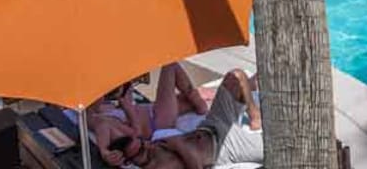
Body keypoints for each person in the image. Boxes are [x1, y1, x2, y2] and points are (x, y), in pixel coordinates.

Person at [104, 68, 263, 168]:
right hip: (224, 148)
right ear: (129, 162)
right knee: (275, 143)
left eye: (143, 142)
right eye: (141, 151)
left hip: (210, 125)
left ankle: (255, 115)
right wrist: (179, 145)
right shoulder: (161, 165)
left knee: (236, 76)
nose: (148, 146)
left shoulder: (154, 142)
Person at [91, 63, 211, 163]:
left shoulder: (104, 108)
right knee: (170, 67)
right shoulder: (103, 123)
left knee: (185, 98)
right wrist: (128, 108)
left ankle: (197, 103)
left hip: (152, 111)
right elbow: (136, 133)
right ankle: (199, 104)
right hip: (157, 121)